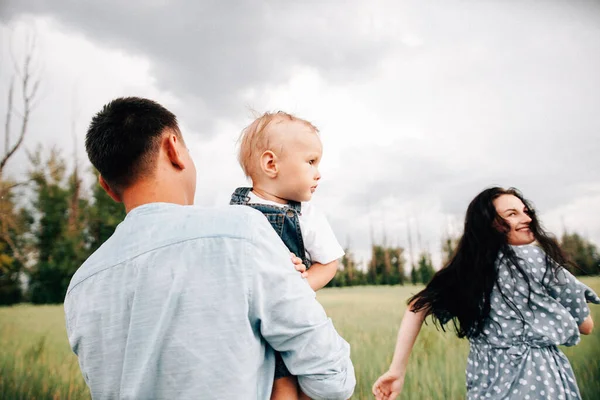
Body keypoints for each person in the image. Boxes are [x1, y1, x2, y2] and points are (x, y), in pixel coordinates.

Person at [64, 97, 356, 400]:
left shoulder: (81, 286)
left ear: (107, 186)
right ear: (173, 148)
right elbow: (332, 377)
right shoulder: (243, 232)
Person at [372, 187, 599, 400]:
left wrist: (397, 371)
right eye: (512, 214)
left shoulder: (467, 271)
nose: (527, 218)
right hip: (537, 376)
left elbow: (416, 307)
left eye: (526, 212)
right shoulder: (536, 259)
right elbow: (585, 326)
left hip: (486, 380)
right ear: (491, 224)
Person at [229, 111, 345, 400]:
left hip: (287, 317)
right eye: (311, 161)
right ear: (271, 164)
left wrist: (299, 285)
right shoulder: (235, 211)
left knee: (291, 384)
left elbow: (329, 262)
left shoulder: (307, 214)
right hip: (246, 319)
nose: (319, 172)